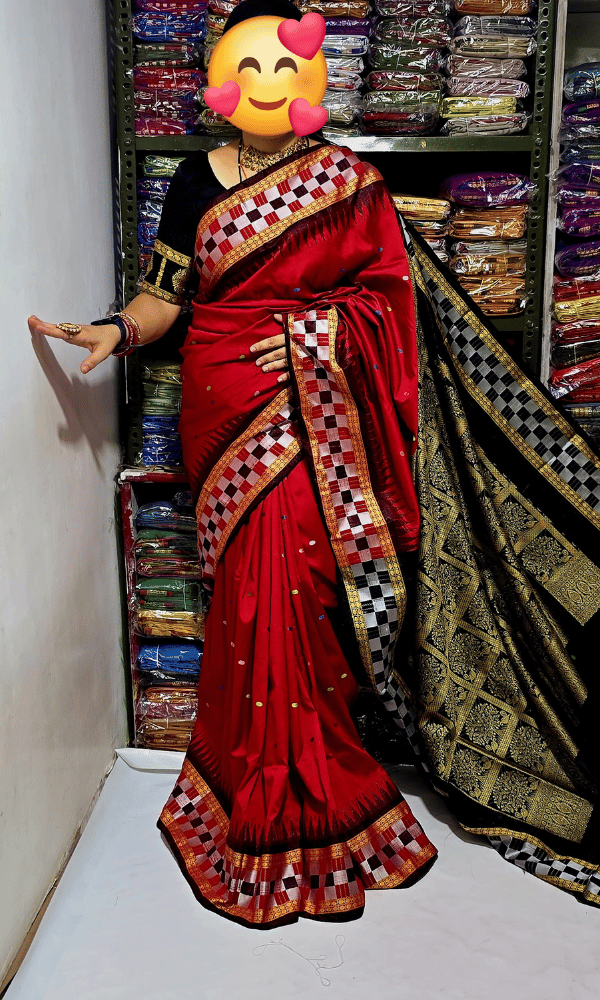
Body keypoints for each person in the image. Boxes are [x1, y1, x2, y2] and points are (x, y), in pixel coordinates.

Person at [29, 0, 600, 927]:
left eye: (280, 68)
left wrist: (313, 331)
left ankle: (317, 777)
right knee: (241, 593)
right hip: (224, 407)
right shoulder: (189, 179)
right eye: (247, 69)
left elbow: (388, 305)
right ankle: (240, 785)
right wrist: (113, 331)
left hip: (315, 408)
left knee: (300, 580)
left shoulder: (350, 183)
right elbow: (166, 294)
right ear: (221, 81)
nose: (264, 85)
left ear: (309, 81)